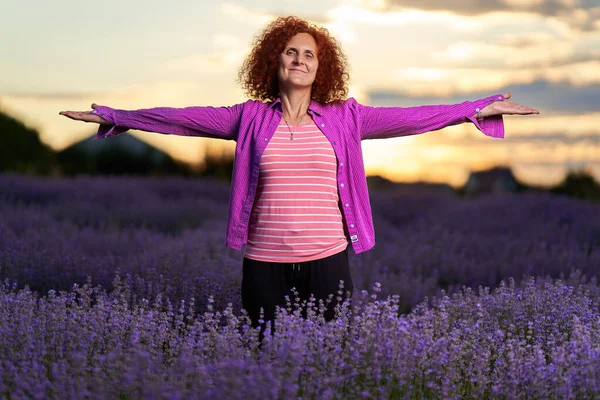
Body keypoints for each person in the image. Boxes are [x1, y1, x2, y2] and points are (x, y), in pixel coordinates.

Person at [59, 16, 539, 343]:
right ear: (275, 61)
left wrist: (475, 108)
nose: (300, 60)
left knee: (326, 359)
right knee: (265, 359)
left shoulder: (346, 118)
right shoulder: (248, 118)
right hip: (263, 263)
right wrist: (114, 115)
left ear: (320, 66)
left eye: (309, 54)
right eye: (290, 52)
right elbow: (181, 119)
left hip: (327, 261)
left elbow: (414, 118)